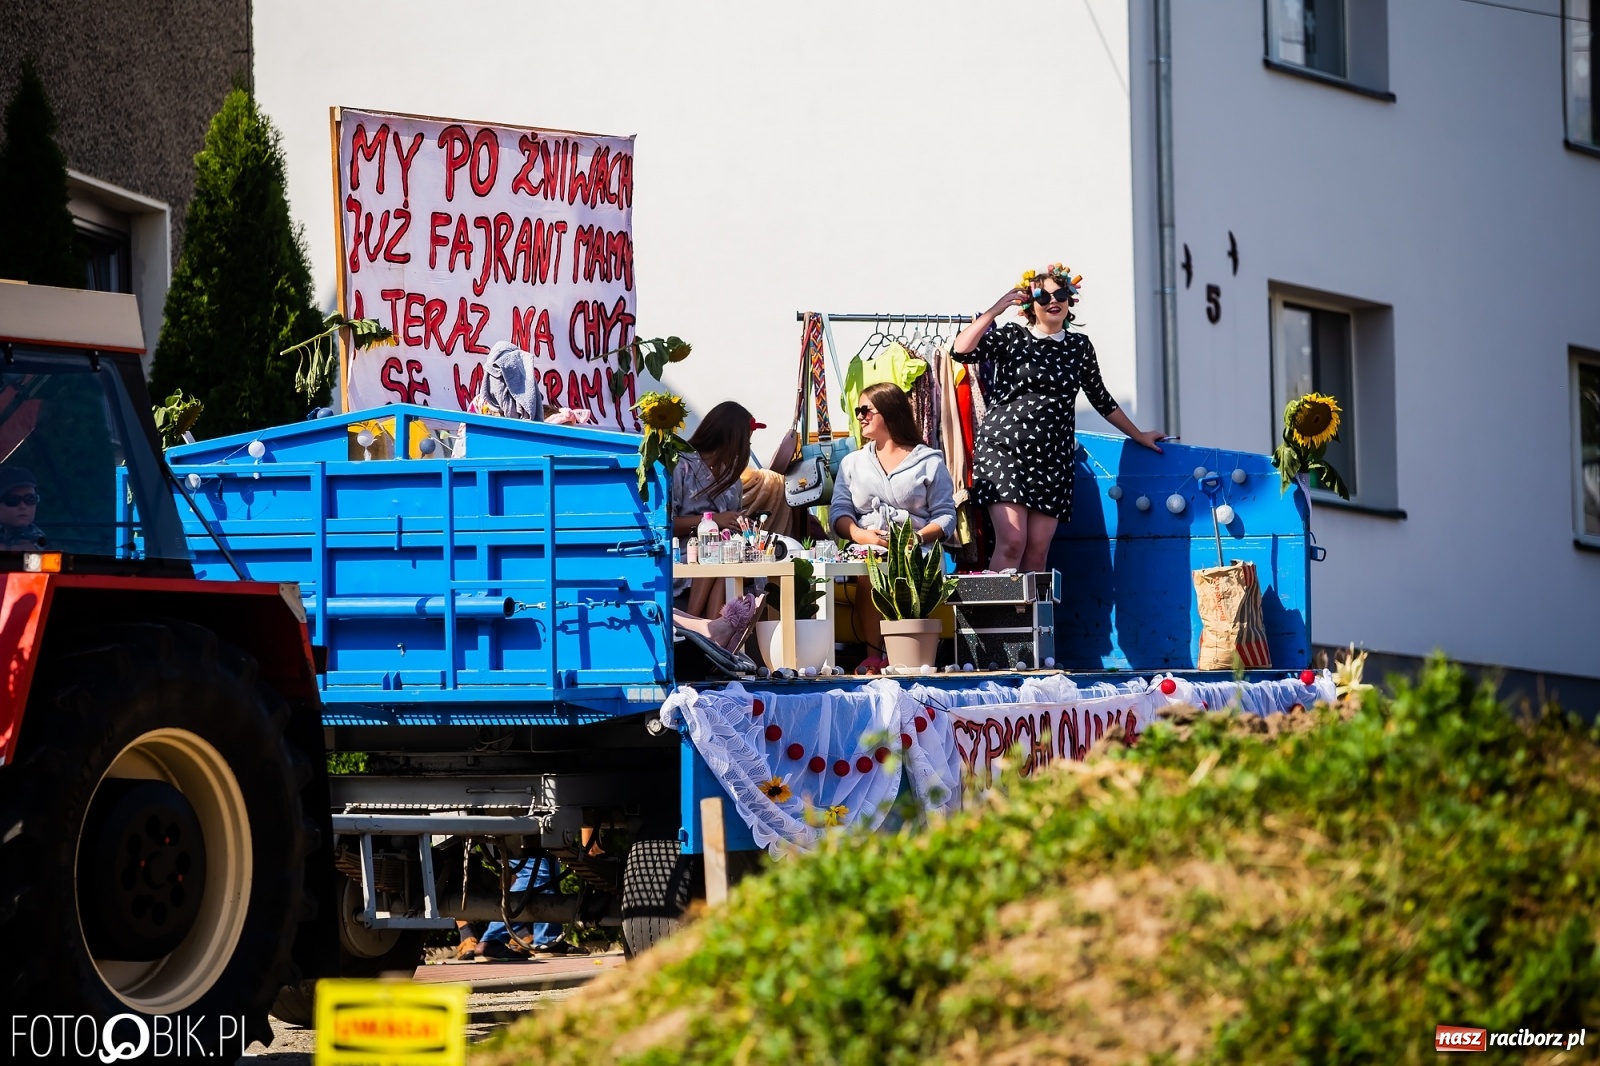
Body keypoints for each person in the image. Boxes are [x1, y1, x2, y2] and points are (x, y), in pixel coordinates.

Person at [952, 265, 1164, 573]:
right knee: (1012, 542)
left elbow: (1100, 398)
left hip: (1053, 458)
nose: (1053, 301)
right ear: (1029, 305)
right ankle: (998, 620)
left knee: (1037, 554)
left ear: (1070, 300)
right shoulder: (1012, 336)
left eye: (1060, 294)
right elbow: (960, 350)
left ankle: (1031, 622)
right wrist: (997, 307)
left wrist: (1139, 435)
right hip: (1004, 451)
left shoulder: (1079, 347)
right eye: (1042, 296)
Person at [829, 382, 956, 672]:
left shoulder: (929, 461)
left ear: (889, 413)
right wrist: (860, 534)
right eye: (857, 410)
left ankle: (904, 652)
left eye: (866, 410)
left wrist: (914, 539)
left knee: (902, 570)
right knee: (870, 567)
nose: (860, 416)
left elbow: (946, 516)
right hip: (868, 547)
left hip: (918, 549)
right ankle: (873, 653)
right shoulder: (852, 463)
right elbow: (839, 513)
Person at [671, 402, 760, 618]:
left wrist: (740, 525)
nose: (744, 449)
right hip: (684, 555)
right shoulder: (680, 466)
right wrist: (714, 520)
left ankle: (710, 638)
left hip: (722, 555)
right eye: (743, 442)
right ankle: (692, 625)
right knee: (716, 558)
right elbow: (666, 525)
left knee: (724, 561)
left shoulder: (732, 479)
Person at [0, 467, 44, 551]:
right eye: (12, 499)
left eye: (30, 499)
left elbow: (39, 547)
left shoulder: (35, 536)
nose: (22, 506)